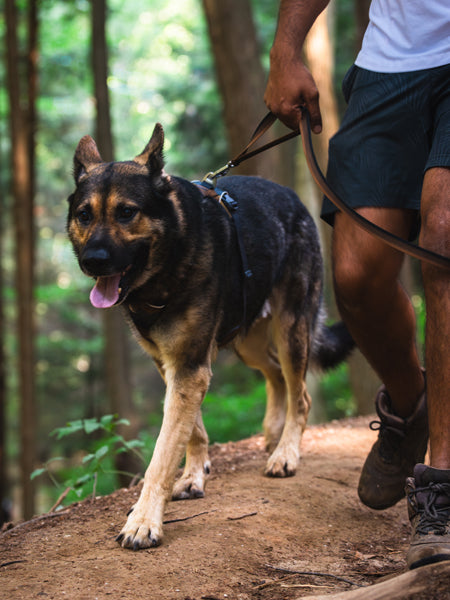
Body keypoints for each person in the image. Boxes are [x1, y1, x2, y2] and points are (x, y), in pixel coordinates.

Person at [264, 0, 450, 569]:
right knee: (357, 274)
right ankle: (411, 402)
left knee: (444, 237)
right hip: (389, 64)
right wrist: (285, 49)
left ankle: (441, 486)